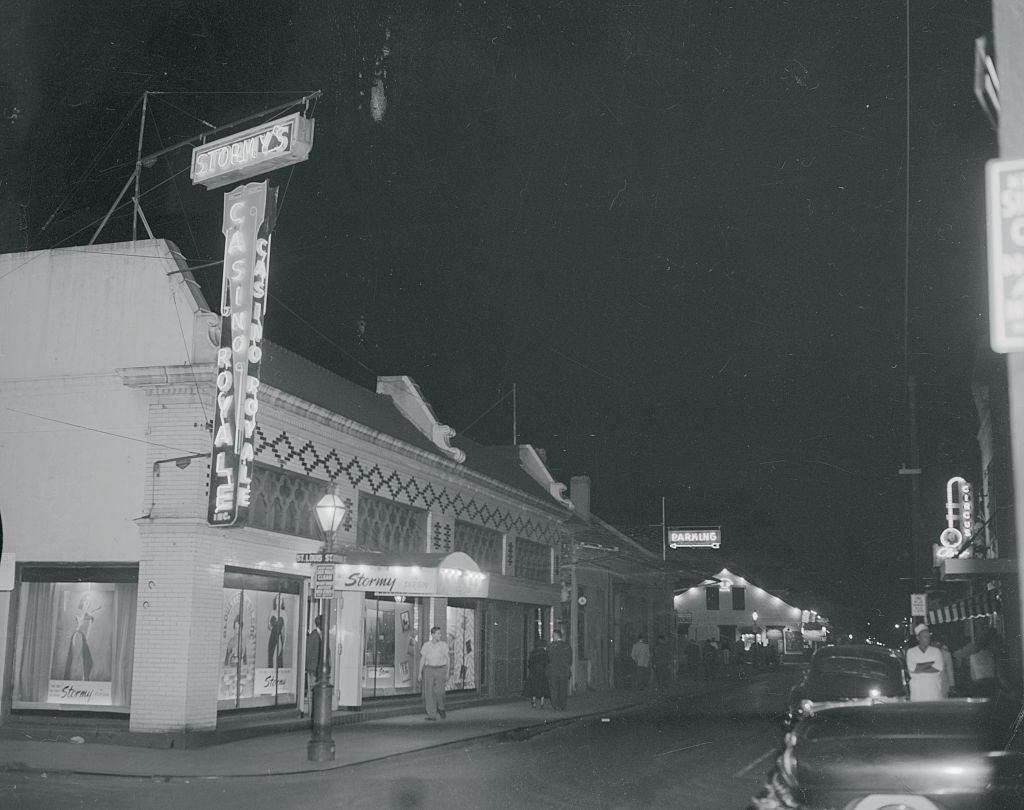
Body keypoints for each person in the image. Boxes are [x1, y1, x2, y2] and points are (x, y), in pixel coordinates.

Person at [906, 623, 945, 701]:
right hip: (917, 691)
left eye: (928, 637)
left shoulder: (936, 651)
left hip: (934, 690)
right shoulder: (911, 652)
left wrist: (919, 667)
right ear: (918, 638)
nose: (927, 639)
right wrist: (930, 663)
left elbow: (938, 667)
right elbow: (913, 668)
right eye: (924, 637)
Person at [418, 626, 449, 720]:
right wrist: (419, 672)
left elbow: (448, 659)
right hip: (429, 670)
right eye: (438, 633)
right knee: (429, 693)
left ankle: (441, 707)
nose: (440, 635)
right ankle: (432, 715)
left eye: (440, 633)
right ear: (432, 635)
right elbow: (422, 659)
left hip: (441, 669)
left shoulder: (443, 645)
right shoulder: (426, 645)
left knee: (440, 692)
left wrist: (447, 672)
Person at [547, 628, 572, 710]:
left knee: (554, 689)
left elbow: (548, 658)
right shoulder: (567, 646)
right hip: (564, 671)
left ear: (556, 636)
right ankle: (562, 705)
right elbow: (570, 659)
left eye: (553, 635)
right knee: (563, 689)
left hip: (554, 671)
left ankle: (556, 705)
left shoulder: (551, 646)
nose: (552, 637)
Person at [525, 637, 551, 708]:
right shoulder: (544, 653)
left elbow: (529, 663)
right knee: (542, 687)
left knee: (533, 687)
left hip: (533, 672)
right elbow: (548, 662)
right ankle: (542, 703)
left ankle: (533, 702)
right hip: (542, 672)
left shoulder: (533, 652)